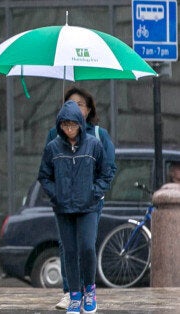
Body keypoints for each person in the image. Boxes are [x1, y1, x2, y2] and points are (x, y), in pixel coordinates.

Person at [38, 100, 113, 314]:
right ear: (60, 125)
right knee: (69, 251)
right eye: (65, 125)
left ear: (81, 123)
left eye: (73, 124)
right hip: (64, 208)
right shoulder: (53, 148)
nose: (69, 129)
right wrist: (56, 194)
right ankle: (74, 294)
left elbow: (106, 172)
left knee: (87, 247)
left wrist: (94, 192)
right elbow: (44, 176)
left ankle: (89, 290)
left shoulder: (93, 145)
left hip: (88, 207)